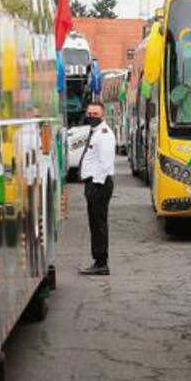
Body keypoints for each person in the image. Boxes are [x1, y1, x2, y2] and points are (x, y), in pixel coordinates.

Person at [78, 101, 116, 275]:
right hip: (94, 183)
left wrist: (96, 184)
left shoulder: (104, 134)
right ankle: (98, 260)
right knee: (95, 223)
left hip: (99, 184)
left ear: (103, 115)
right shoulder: (95, 132)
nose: (91, 117)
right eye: (90, 114)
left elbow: (106, 163)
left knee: (98, 224)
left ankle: (101, 262)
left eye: (95, 114)